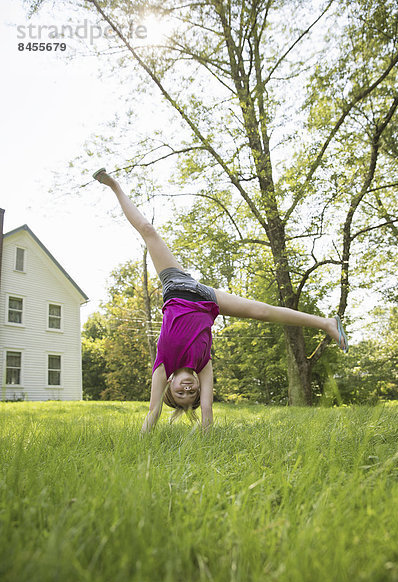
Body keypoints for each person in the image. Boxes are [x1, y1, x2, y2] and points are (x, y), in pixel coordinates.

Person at [93, 168, 348, 432]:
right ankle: (326, 324)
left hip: (177, 285)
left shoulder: (163, 364)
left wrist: (141, 445)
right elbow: (207, 410)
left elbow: (153, 412)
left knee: (149, 232)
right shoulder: (203, 366)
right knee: (262, 311)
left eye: (181, 394)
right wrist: (204, 426)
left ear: (169, 385)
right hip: (208, 300)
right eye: (192, 394)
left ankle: (115, 186)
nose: (188, 390)